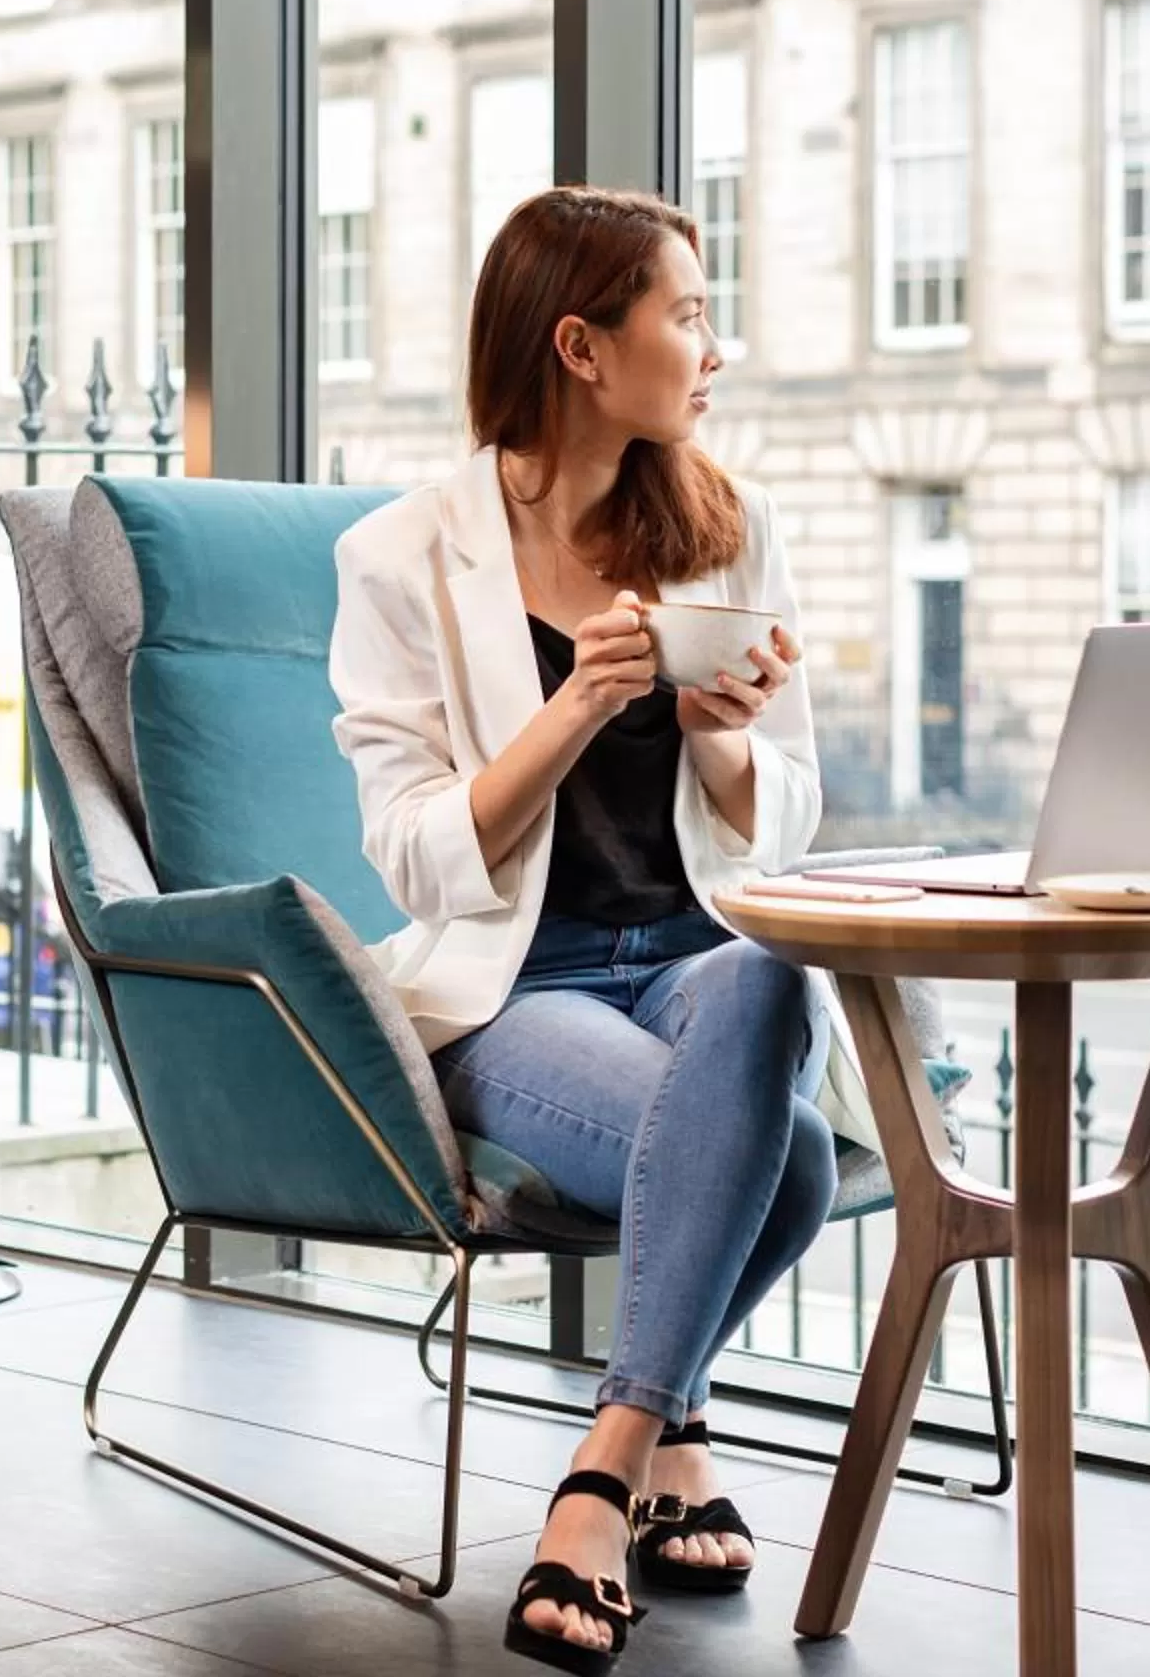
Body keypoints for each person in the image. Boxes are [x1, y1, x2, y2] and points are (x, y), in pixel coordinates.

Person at [329, 186, 839, 1671]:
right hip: (519, 987)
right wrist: (575, 709)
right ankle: (674, 1436)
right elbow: (417, 860)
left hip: (693, 968)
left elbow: (790, 811)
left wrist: (723, 738)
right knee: (788, 1159)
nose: (713, 347)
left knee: (766, 989)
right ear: (581, 348)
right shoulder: (400, 557)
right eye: (686, 313)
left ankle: (599, 1473)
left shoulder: (728, 531)